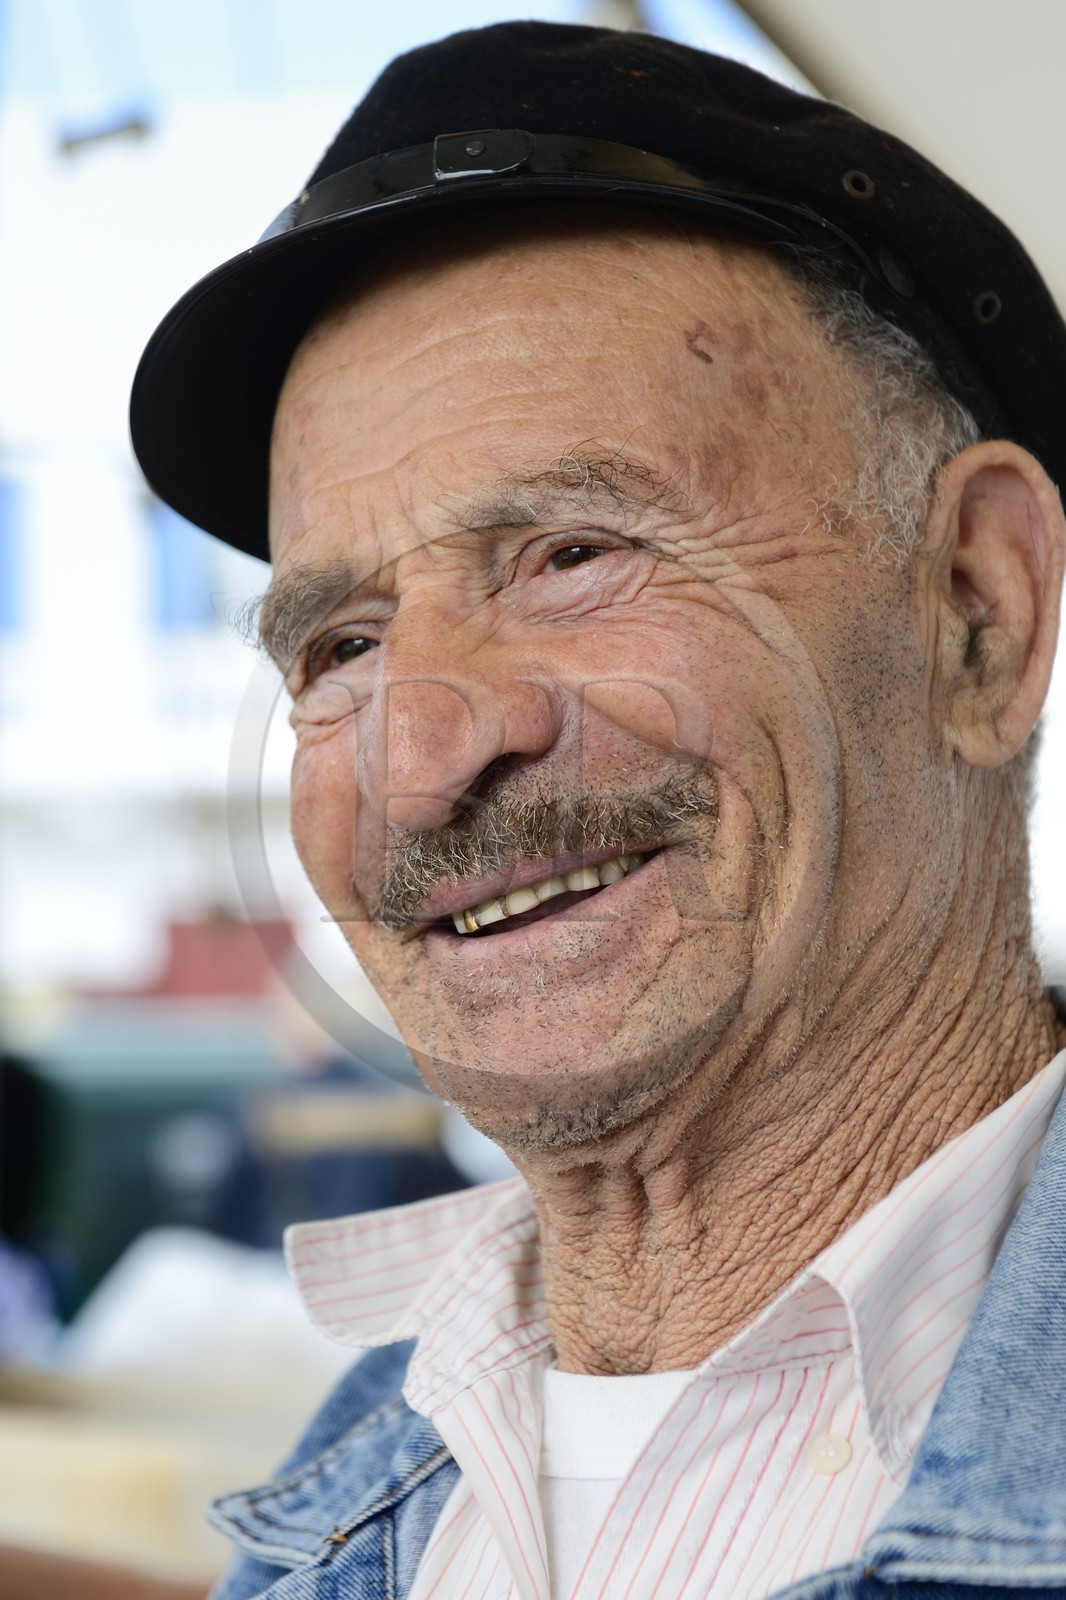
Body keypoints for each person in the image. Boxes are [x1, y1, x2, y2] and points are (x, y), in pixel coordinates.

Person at [130, 22, 1066, 1600]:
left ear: (976, 610)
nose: (421, 758)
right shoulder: (339, 1510)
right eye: (342, 646)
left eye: (571, 554)